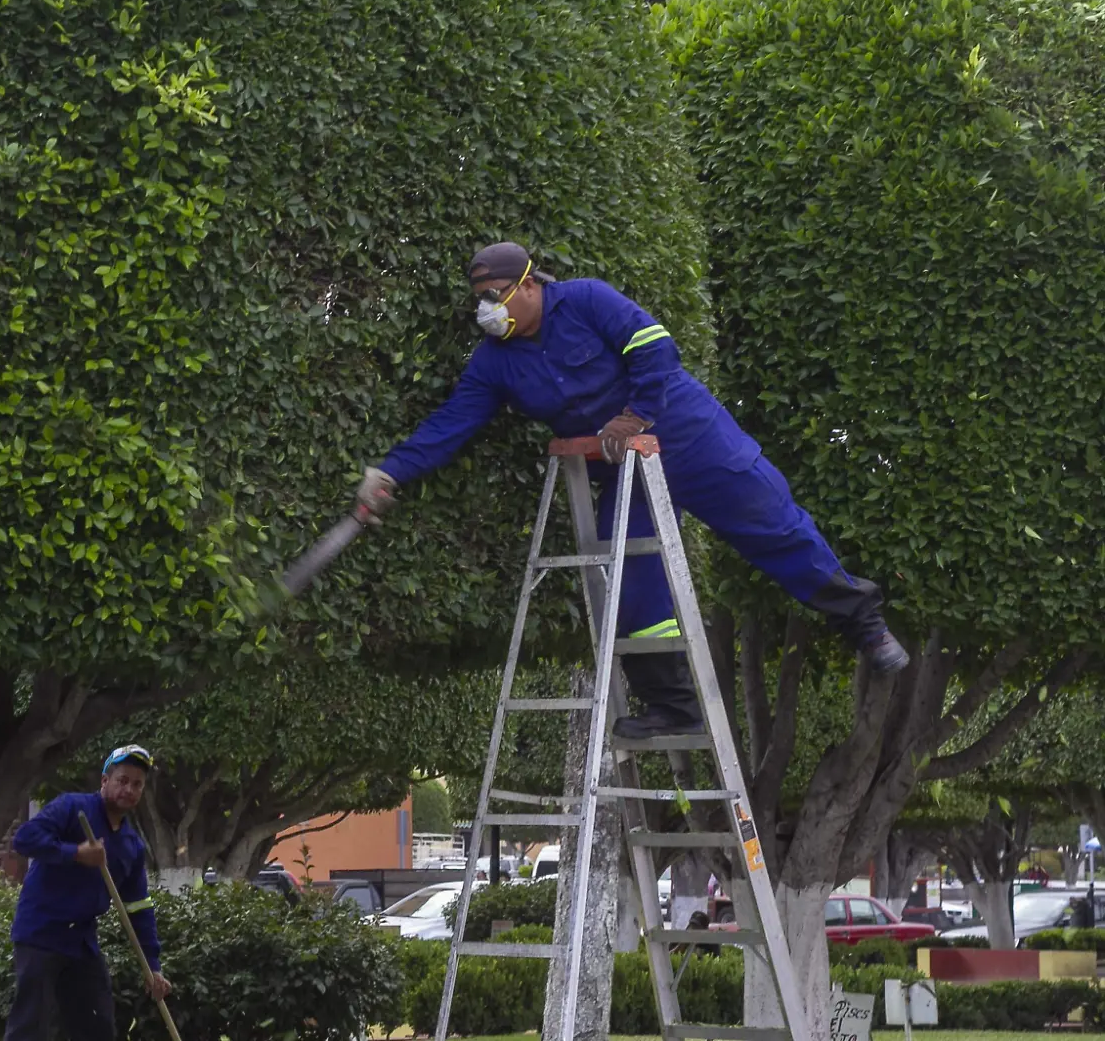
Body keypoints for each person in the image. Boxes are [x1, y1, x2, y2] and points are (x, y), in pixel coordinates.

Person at [357, 241, 909, 738]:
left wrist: (636, 414)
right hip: (624, 472)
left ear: (529, 285)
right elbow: (453, 422)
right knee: (634, 581)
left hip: (690, 437)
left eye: (495, 295)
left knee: (775, 527)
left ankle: (865, 625)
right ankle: (674, 706)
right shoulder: (493, 363)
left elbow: (654, 346)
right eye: (479, 299)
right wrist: (392, 473)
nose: (486, 309)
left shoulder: (587, 300)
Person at [5, 744, 172, 1041]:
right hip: (41, 934)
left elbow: (138, 908)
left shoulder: (131, 845)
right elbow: (25, 839)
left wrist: (153, 967)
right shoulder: (72, 807)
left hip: (81, 942)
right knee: (31, 1027)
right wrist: (74, 853)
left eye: (137, 784)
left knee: (97, 1026)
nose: (129, 789)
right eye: (122, 780)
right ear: (105, 781)